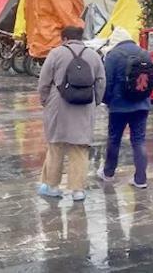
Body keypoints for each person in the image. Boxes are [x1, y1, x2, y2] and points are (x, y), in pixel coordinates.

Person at [37, 26, 106, 202]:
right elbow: (101, 81)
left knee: (56, 146)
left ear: (65, 38)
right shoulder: (93, 55)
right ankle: (78, 190)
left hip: (58, 105)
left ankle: (52, 186)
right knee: (80, 148)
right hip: (85, 105)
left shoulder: (56, 53)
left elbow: (44, 81)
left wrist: (45, 100)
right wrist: (96, 101)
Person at [97, 27, 153, 189]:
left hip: (119, 106)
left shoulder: (113, 55)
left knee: (114, 139)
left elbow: (106, 82)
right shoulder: (144, 53)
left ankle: (108, 173)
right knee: (139, 141)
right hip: (142, 105)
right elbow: (152, 80)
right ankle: (141, 179)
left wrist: (107, 101)